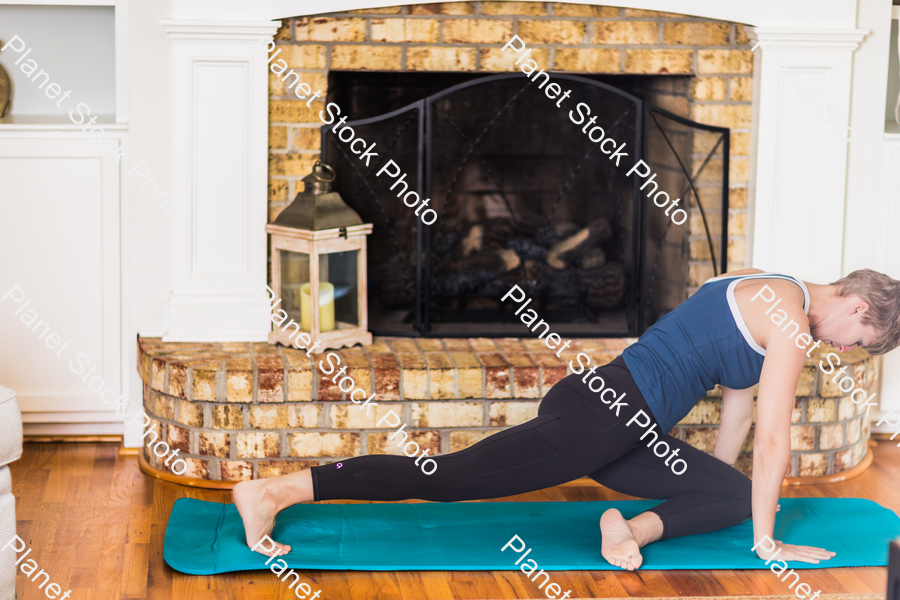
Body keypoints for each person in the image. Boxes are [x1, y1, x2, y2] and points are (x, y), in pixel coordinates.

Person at [234, 268, 900, 570]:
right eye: (858, 342)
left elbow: (740, 409)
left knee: (734, 492)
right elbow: (779, 434)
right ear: (860, 312)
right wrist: (766, 545)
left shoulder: (762, 282)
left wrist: (704, 488)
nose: (845, 351)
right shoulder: (789, 319)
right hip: (604, 414)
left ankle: (628, 527)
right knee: (450, 478)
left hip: (623, 421)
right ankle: (277, 490)